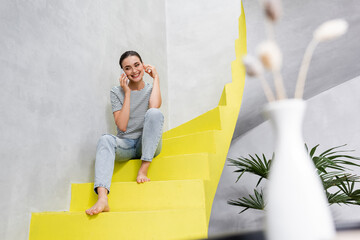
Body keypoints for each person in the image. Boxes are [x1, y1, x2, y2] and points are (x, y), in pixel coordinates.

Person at [85, 51, 164, 215]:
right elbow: (121, 126)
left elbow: (155, 106)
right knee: (105, 139)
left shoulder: (151, 88)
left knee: (154, 113)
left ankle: (144, 168)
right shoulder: (116, 92)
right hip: (126, 144)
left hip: (147, 144)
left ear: (143, 65)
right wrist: (127, 93)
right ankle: (102, 198)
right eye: (128, 68)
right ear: (123, 72)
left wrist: (156, 78)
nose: (134, 71)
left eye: (136, 65)